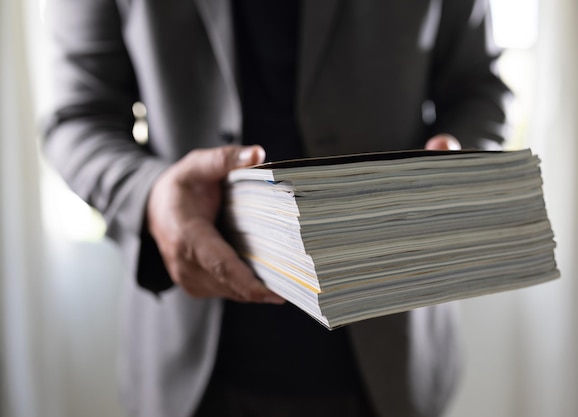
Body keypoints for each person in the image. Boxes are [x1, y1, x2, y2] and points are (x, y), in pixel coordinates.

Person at [43, 0, 511, 416]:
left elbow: (479, 89)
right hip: (189, 371)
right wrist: (151, 194)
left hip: (393, 354)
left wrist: (454, 163)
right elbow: (77, 117)